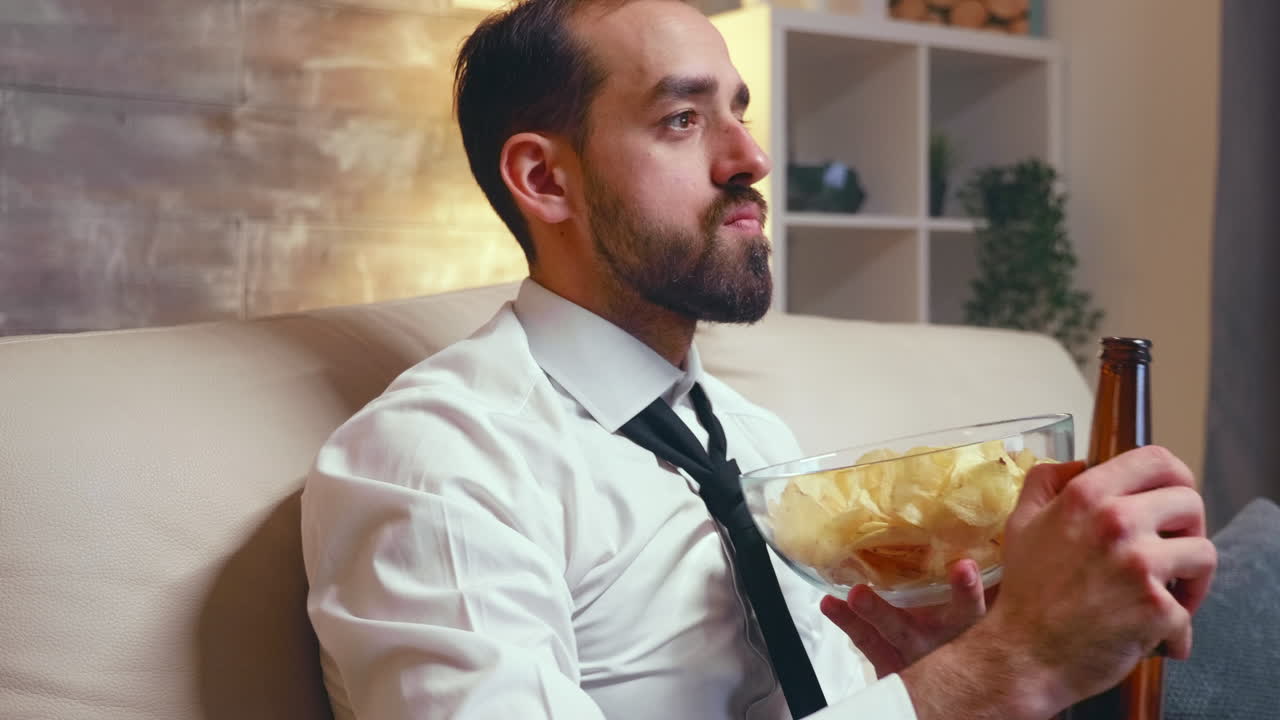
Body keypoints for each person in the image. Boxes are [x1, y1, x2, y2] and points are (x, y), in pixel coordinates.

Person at [299, 0, 1217, 717]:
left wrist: (938, 663)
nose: (753, 157)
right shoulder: (440, 463)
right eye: (681, 121)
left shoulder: (754, 443)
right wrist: (1001, 670)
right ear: (545, 180)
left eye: (738, 111)